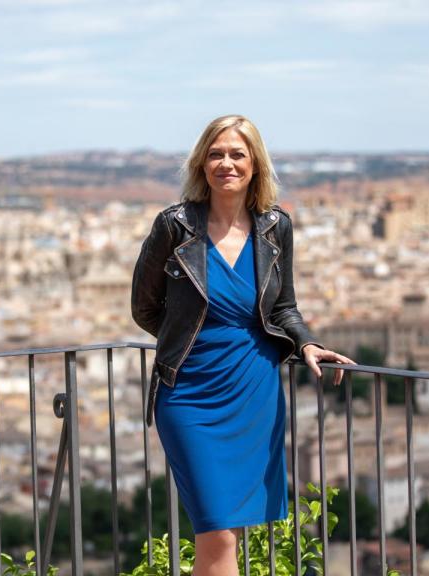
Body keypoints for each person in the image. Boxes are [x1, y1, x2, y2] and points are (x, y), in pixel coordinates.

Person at [131, 114, 354, 575]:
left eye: (237, 154)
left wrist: (306, 344)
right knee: (216, 534)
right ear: (201, 164)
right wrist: (191, 340)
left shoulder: (276, 228)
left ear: (255, 164)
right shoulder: (174, 226)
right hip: (188, 393)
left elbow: (284, 306)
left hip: (254, 389)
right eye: (216, 154)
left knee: (229, 535)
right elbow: (144, 307)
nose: (226, 163)